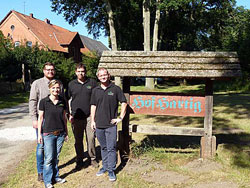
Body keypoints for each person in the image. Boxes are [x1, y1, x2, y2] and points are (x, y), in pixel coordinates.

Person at [90, 68, 127, 182]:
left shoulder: (115, 89)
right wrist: (92, 120)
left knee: (111, 148)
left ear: (109, 75)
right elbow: (93, 105)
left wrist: (120, 118)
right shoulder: (95, 90)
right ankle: (104, 167)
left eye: (105, 75)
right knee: (103, 147)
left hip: (111, 125)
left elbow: (124, 103)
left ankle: (111, 170)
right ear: (98, 77)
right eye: (101, 75)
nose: (103, 77)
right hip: (99, 124)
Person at [29, 62, 63, 182]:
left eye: (52, 69)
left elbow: (62, 100)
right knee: (41, 147)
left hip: (55, 121)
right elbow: (32, 101)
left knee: (53, 149)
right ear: (44, 71)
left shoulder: (59, 83)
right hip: (41, 119)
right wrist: (34, 119)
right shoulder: (37, 83)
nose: (50, 72)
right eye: (48, 70)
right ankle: (41, 172)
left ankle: (52, 171)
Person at [66, 63, 98, 170]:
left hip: (90, 116)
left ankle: (92, 158)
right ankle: (79, 160)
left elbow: (98, 97)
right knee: (78, 140)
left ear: (85, 72)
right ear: (75, 72)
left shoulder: (92, 83)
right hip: (76, 117)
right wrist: (68, 114)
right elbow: (66, 99)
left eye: (83, 71)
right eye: (79, 71)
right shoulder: (71, 84)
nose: (81, 73)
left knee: (91, 138)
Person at [37, 79, 68, 188]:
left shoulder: (62, 101)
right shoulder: (44, 102)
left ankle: (56, 176)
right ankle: (48, 181)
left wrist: (66, 132)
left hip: (60, 133)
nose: (56, 89)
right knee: (49, 158)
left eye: (58, 87)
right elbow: (40, 119)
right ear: (50, 88)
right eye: (53, 87)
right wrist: (39, 135)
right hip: (48, 134)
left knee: (56, 157)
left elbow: (64, 118)